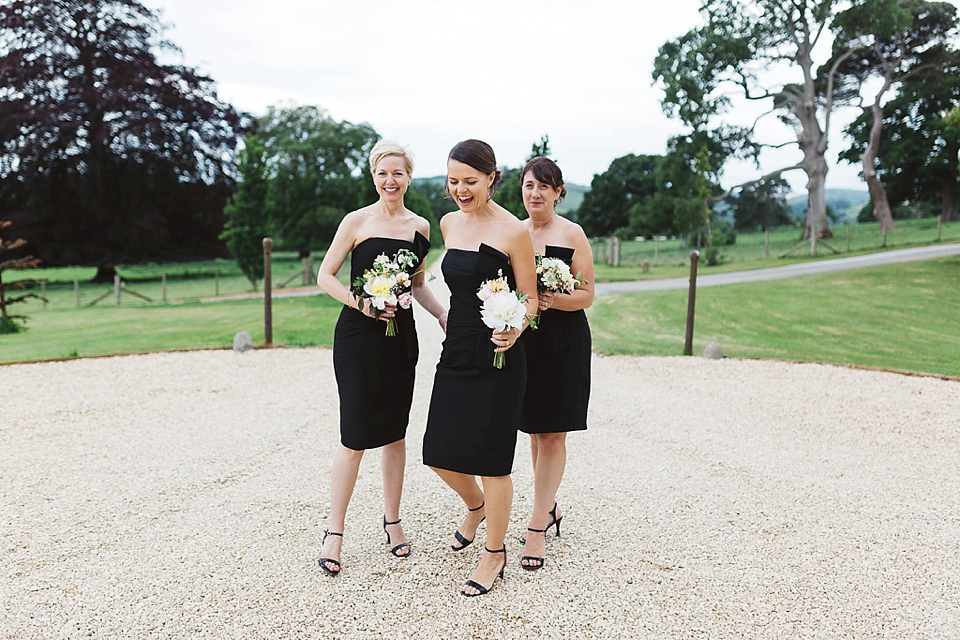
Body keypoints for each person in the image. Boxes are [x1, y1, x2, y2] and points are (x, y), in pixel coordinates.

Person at [315, 139, 447, 577]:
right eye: (382, 173)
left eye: (398, 173)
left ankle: (393, 521)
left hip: (400, 340)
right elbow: (325, 275)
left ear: (409, 176)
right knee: (354, 435)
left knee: (395, 434)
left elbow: (418, 284)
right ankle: (335, 532)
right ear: (373, 176)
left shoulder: (421, 227)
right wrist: (361, 303)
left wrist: (443, 313)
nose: (390, 181)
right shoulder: (357, 221)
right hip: (357, 336)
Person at [421, 139, 538, 597]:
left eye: (470, 181)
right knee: (437, 451)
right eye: (453, 181)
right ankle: (476, 506)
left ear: (492, 177)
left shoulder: (513, 232)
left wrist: (517, 328)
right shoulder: (449, 224)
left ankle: (495, 554)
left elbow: (529, 297)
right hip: (456, 350)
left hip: (498, 354)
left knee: (492, 460)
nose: (460, 190)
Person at [517, 157, 594, 571]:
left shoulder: (572, 234)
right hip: (526, 342)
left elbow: (586, 295)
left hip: (564, 343)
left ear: (558, 191)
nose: (535, 194)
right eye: (529, 186)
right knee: (533, 433)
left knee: (552, 436)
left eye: (544, 187)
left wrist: (554, 300)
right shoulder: (515, 233)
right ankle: (547, 507)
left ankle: (536, 526)